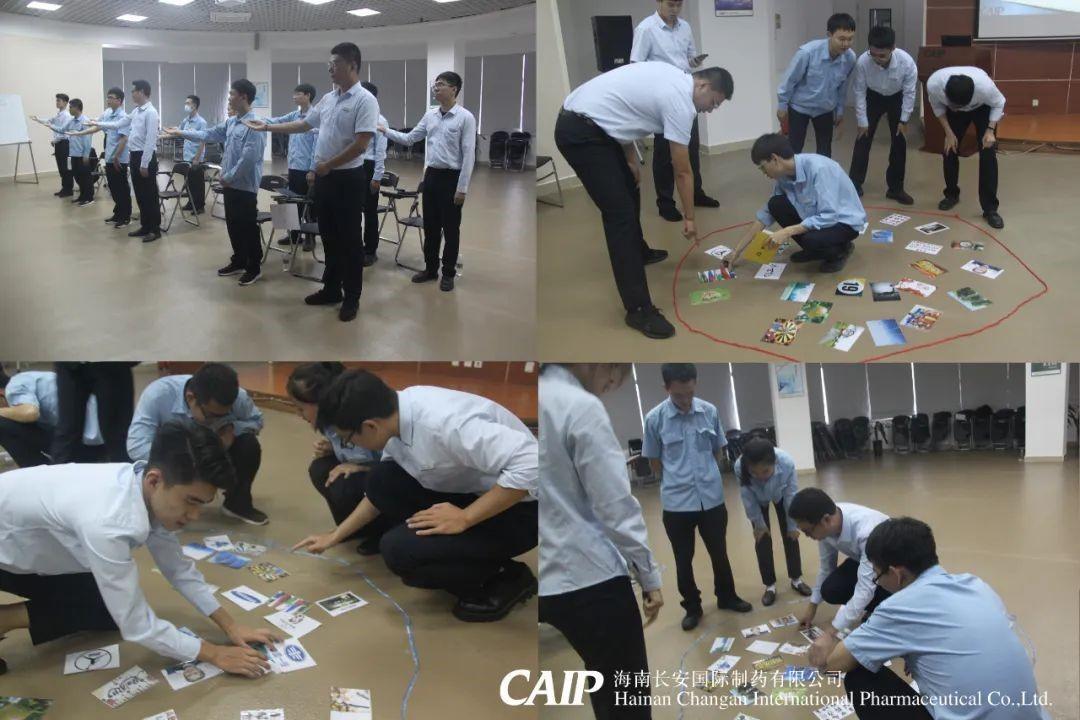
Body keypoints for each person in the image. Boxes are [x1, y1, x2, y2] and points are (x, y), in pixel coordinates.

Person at [0, 422, 281, 679]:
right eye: (191, 501)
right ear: (155, 480)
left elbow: (178, 569)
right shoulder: (109, 520)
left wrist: (231, 626)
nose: (195, 516)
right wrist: (215, 653)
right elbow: (137, 626)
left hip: (27, 540)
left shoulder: (142, 484)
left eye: (202, 504)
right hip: (7, 551)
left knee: (106, 608)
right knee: (119, 609)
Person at [293, 369, 538, 623]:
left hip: (522, 509)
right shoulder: (394, 416)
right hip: (472, 490)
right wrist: (334, 536)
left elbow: (534, 464)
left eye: (348, 439)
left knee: (399, 551)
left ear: (370, 426)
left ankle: (506, 576)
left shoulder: (446, 424)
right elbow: (378, 494)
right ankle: (454, 548)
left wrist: (465, 517)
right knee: (382, 478)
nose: (348, 446)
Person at [555, 63, 734, 339]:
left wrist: (630, 159)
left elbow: (624, 112)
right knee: (619, 215)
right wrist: (689, 217)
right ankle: (638, 309)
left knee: (630, 185)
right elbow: (682, 170)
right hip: (580, 133)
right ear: (702, 86)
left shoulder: (673, 77)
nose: (710, 110)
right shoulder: (680, 102)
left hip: (595, 124)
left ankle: (639, 251)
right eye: (713, 102)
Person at [817, 518, 1048, 720]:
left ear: (896, 574)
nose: (878, 582)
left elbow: (834, 664)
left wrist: (828, 647)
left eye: (877, 576)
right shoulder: (975, 584)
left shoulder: (898, 607)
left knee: (859, 677)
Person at [539, 363, 664, 719]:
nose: (610, 384)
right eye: (614, 374)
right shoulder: (578, 405)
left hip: (547, 577)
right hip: (588, 576)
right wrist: (648, 577)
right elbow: (615, 507)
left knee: (602, 681)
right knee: (624, 696)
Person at [244, 42, 377, 322]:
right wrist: (267, 127)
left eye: (335, 64)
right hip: (324, 178)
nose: (330, 68)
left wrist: (328, 165)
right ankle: (332, 289)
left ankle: (352, 297)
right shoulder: (328, 99)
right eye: (329, 64)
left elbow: (361, 145)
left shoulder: (365, 100)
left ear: (352, 65)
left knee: (350, 241)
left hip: (347, 179)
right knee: (328, 236)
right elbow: (303, 124)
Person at [642, 363, 751, 631]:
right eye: (678, 395)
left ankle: (727, 596)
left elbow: (718, 450)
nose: (685, 400)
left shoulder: (709, 411)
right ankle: (692, 607)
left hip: (711, 498)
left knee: (719, 553)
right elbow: (654, 461)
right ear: (666, 388)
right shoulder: (655, 419)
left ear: (695, 384)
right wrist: (677, 479)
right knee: (683, 559)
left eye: (690, 393)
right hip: (676, 503)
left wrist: (707, 474)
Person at [127, 363, 268, 525]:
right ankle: (159, 505)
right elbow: (136, 444)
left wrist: (232, 428)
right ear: (191, 398)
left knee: (248, 444)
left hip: (216, 448)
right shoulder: (158, 395)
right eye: (211, 415)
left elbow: (256, 420)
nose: (215, 420)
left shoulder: (239, 398)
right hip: (175, 454)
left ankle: (237, 504)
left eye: (223, 415)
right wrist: (180, 459)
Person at [379, 71, 475, 292]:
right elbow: (410, 138)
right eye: (435, 84)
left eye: (441, 84)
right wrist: (386, 131)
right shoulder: (430, 115)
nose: (436, 88)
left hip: (451, 178)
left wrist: (462, 189)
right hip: (431, 177)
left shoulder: (465, 117)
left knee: (451, 229)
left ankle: (448, 273)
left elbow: (469, 154)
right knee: (431, 227)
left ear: (454, 89)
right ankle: (430, 269)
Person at [165, 79, 267, 286]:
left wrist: (229, 177)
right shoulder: (232, 122)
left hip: (244, 185)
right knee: (233, 224)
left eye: (232, 94)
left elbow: (249, 158)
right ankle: (239, 260)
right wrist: (180, 132)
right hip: (229, 184)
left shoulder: (255, 124)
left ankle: (253, 267)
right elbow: (207, 134)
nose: (229, 98)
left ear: (243, 97)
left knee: (247, 226)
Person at [285, 362, 393, 555]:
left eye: (301, 408)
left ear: (324, 402)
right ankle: (355, 528)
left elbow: (397, 466)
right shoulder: (329, 423)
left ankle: (383, 531)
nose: (298, 414)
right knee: (321, 468)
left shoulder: (365, 420)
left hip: (386, 477)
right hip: (367, 471)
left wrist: (362, 467)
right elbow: (351, 449)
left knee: (346, 483)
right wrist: (333, 449)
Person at [630, 0, 719, 221]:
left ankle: (696, 193)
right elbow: (636, 67)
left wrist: (694, 61)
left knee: (692, 147)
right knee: (664, 153)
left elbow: (688, 59)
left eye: (679, 4)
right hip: (663, 99)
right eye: (671, 4)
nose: (675, 9)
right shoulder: (646, 29)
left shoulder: (685, 27)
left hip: (687, 94)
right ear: (659, 1)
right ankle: (665, 203)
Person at [730, 133, 867, 274]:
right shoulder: (783, 176)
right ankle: (815, 250)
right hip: (819, 219)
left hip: (844, 222)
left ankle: (840, 251)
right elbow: (765, 215)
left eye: (763, 167)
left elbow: (830, 216)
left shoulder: (819, 169)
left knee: (811, 240)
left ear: (775, 159)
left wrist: (787, 231)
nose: (763, 173)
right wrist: (737, 251)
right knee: (775, 204)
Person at [787, 488, 891, 665]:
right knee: (830, 589)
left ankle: (882, 607)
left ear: (825, 520)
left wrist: (830, 633)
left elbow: (865, 588)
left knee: (873, 592)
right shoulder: (827, 524)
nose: (807, 536)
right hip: (863, 560)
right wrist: (812, 607)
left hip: (893, 568)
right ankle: (873, 606)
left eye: (808, 531)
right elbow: (826, 567)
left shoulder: (867, 531)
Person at [926, 66, 1006, 229]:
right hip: (955, 113)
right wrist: (948, 132)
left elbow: (999, 103)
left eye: (961, 106)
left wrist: (990, 131)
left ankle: (990, 209)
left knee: (988, 154)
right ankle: (951, 194)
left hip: (982, 108)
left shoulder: (985, 88)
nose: (960, 108)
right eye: (954, 105)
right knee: (949, 149)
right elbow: (938, 108)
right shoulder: (934, 85)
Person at [735, 437, 811, 606]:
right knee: (761, 538)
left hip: (781, 495)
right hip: (757, 499)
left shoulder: (786, 463)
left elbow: (791, 494)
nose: (760, 477)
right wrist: (758, 524)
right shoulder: (740, 467)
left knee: (791, 535)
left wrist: (792, 525)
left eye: (765, 471)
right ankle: (769, 585)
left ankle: (796, 579)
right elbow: (747, 498)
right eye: (754, 473)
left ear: (775, 462)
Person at [847, 26, 917, 204]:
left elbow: (909, 93)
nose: (877, 60)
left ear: (893, 48)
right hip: (873, 97)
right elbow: (859, 92)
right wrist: (862, 121)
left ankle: (895, 189)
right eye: (873, 54)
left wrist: (904, 120)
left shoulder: (907, 63)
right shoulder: (863, 62)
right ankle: (854, 184)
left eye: (882, 56)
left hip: (896, 97)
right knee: (863, 139)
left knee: (899, 141)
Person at [88, 79, 162, 242]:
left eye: (134, 91)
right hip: (134, 155)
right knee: (140, 195)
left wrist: (144, 164)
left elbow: (151, 141)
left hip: (145, 157)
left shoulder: (151, 112)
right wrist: (97, 122)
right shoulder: (136, 111)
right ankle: (145, 226)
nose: (132, 94)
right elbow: (118, 124)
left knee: (150, 196)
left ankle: (154, 230)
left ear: (142, 92)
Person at [777, 13, 857, 158]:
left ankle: (822, 173)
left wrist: (839, 110)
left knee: (825, 151)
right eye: (841, 39)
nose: (846, 44)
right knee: (794, 149)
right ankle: (791, 173)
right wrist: (782, 105)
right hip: (800, 107)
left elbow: (842, 87)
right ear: (829, 35)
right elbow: (789, 79)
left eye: (850, 39)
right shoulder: (807, 53)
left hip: (825, 108)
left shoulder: (850, 58)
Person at [0, 369, 103, 468]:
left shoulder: (14, 386)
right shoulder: (30, 378)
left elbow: (30, 413)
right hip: (100, 439)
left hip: (87, 444)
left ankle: (41, 475)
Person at [66, 88, 131, 226]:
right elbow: (97, 126)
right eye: (108, 97)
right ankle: (118, 213)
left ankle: (125, 217)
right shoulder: (108, 113)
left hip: (118, 159)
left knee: (121, 188)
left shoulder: (123, 117)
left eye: (111, 97)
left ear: (119, 100)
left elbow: (124, 139)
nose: (108, 100)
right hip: (109, 157)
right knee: (113, 188)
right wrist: (79, 133)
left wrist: (117, 157)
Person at [50, 362, 136, 465]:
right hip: (70, 364)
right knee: (66, 431)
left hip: (111, 362)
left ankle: (126, 473)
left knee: (118, 434)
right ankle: (59, 473)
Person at [266, 83, 319, 248]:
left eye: (298, 94)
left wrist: (313, 169)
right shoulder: (294, 115)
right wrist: (259, 121)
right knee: (291, 202)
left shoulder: (316, 117)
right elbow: (276, 121)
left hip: (307, 169)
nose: (294, 97)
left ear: (308, 95)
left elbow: (317, 146)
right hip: (294, 167)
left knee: (308, 204)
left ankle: (310, 237)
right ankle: (294, 235)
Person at [359, 82, 388, 267]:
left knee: (369, 211)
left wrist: (377, 177)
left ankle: (370, 250)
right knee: (353, 210)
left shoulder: (380, 121)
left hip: (369, 167)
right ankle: (355, 246)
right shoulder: (356, 117)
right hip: (353, 165)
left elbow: (380, 152)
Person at [29, 93, 74, 197]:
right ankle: (64, 188)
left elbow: (64, 132)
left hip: (64, 144)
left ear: (65, 102)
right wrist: (37, 119)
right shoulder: (59, 114)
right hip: (59, 144)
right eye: (56, 100)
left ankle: (68, 190)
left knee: (65, 168)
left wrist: (55, 140)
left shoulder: (66, 116)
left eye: (59, 100)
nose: (57, 102)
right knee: (61, 168)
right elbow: (49, 120)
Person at [62, 99, 96, 207]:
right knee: (77, 176)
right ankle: (82, 196)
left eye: (71, 107)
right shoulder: (72, 121)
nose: (69, 109)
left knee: (85, 177)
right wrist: (47, 124)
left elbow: (88, 139)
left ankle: (89, 198)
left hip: (82, 154)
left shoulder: (85, 121)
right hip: (74, 153)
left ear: (77, 107)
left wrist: (86, 154)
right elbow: (61, 129)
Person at [178, 95, 208, 215]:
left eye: (188, 103)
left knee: (198, 183)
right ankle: (191, 203)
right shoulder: (186, 120)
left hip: (196, 157)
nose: (185, 105)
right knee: (189, 182)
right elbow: (179, 131)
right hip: (186, 156)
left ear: (194, 105)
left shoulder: (201, 122)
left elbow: (202, 141)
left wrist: (197, 158)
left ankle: (200, 206)